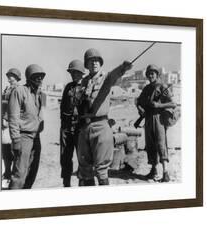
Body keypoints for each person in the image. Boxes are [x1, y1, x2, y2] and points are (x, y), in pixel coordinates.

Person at [76, 48, 132, 186]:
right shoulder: (83, 82)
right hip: (85, 127)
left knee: (101, 170)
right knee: (85, 168)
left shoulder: (106, 78)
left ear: (100, 63)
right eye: (90, 61)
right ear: (86, 64)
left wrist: (123, 68)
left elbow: (115, 74)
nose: (94, 63)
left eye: (96, 61)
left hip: (100, 127)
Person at [8, 64, 46, 189]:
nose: (40, 79)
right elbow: (13, 117)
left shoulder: (41, 94)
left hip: (36, 138)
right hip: (23, 137)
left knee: (32, 172)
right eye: (36, 77)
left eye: (41, 77)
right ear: (29, 77)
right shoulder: (19, 91)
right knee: (19, 174)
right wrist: (16, 139)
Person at [136, 64, 176, 182]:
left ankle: (165, 172)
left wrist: (159, 105)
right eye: (149, 74)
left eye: (153, 73)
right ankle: (154, 170)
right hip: (148, 118)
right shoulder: (146, 88)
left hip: (159, 118)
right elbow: (138, 101)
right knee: (150, 145)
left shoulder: (162, 87)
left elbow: (173, 104)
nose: (150, 76)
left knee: (161, 144)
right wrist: (140, 109)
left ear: (157, 74)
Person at [60, 60, 85, 187]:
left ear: (81, 73)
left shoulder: (87, 86)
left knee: (82, 157)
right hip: (66, 127)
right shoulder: (68, 87)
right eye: (72, 72)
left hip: (80, 128)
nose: (73, 75)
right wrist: (63, 125)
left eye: (76, 72)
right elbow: (63, 106)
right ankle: (66, 183)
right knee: (65, 157)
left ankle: (82, 182)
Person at [1, 68, 21, 181]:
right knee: (5, 149)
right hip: (4, 124)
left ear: (17, 77)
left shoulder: (18, 89)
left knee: (14, 150)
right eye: (8, 76)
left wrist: (8, 121)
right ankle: (7, 171)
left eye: (11, 76)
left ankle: (13, 173)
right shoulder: (7, 89)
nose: (9, 78)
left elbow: (16, 108)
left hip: (12, 124)